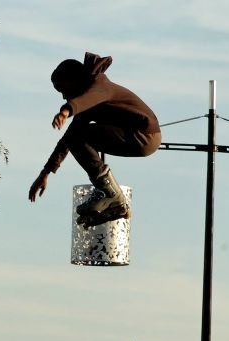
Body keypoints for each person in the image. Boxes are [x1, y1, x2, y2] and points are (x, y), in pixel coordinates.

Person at [28, 52, 160, 227]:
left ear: (74, 81)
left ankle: (110, 193)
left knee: (80, 136)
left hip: (143, 135)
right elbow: (68, 139)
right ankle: (111, 198)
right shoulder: (87, 103)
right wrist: (45, 173)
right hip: (136, 136)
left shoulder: (99, 86)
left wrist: (66, 111)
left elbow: (87, 99)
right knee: (76, 136)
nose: (63, 96)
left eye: (62, 90)